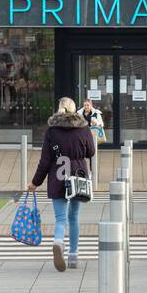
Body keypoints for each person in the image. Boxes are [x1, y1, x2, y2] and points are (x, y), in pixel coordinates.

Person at [27, 97, 95, 272]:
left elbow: (45, 161)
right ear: (75, 110)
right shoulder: (83, 128)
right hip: (78, 175)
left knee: (60, 219)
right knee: (74, 217)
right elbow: (91, 152)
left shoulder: (52, 131)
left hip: (58, 175)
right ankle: (73, 255)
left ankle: (58, 242)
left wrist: (35, 182)